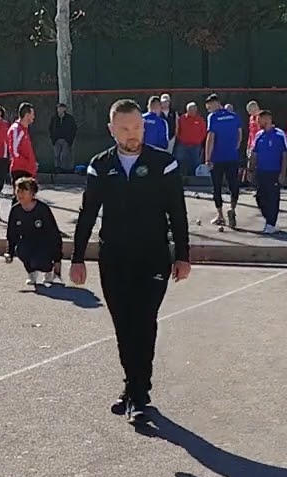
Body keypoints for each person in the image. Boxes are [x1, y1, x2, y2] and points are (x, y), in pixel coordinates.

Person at [70, 98, 192, 424]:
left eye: (137, 126)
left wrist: (182, 256)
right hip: (114, 258)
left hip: (152, 257)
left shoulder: (163, 164)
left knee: (143, 321)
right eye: (124, 128)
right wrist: (77, 258)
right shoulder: (100, 166)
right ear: (112, 130)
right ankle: (131, 384)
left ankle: (139, 393)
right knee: (124, 325)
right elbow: (87, 214)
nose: (132, 133)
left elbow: (177, 213)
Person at [4, 176, 63, 287]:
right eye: (18, 190)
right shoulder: (15, 210)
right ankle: (31, 273)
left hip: (44, 244)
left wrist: (57, 259)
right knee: (21, 250)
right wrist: (9, 252)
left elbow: (54, 234)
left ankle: (48, 271)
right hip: (27, 241)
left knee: (40, 261)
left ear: (32, 193)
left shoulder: (43, 209)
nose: (20, 194)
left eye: (24, 191)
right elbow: (11, 233)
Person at [203, 93, 242, 228]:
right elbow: (239, 134)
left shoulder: (213, 117)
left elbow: (211, 138)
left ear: (215, 103)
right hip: (232, 156)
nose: (209, 110)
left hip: (217, 158)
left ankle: (220, 215)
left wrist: (208, 158)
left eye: (209, 107)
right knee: (233, 184)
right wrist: (235, 147)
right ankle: (233, 209)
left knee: (217, 186)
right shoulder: (234, 116)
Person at [249, 110, 287, 234]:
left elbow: (285, 154)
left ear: (268, 119)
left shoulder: (280, 134)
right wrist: (251, 169)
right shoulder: (259, 135)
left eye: (260, 120)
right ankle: (269, 218)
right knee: (260, 197)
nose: (258, 122)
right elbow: (254, 154)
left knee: (273, 198)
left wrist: (283, 173)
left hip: (274, 172)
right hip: (261, 171)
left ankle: (271, 223)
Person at [7, 102, 38, 182]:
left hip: (27, 170)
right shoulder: (17, 130)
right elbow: (14, 152)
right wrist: (28, 163)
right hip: (20, 171)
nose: (34, 117)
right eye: (32, 114)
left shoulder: (24, 130)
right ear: (27, 115)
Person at [174, 101, 206, 176]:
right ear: (187, 110)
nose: (192, 111)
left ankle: (194, 179)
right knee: (179, 161)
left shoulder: (200, 120)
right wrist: (181, 139)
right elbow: (177, 129)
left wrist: (198, 140)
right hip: (183, 145)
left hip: (196, 146)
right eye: (190, 110)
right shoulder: (181, 119)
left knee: (195, 162)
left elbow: (204, 132)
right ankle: (179, 177)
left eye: (194, 110)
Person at [49, 103, 77, 173]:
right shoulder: (54, 118)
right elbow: (50, 128)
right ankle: (57, 169)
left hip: (65, 140)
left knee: (64, 155)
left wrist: (69, 139)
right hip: (56, 140)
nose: (60, 110)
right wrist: (53, 138)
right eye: (58, 108)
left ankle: (64, 169)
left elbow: (74, 129)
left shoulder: (69, 118)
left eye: (61, 108)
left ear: (64, 109)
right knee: (56, 155)